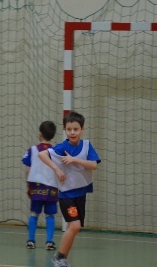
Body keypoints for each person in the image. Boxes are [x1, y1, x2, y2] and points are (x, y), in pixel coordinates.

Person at [38, 111, 101, 267]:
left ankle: (62, 258)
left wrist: (74, 160)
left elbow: (93, 165)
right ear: (64, 129)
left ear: (82, 129)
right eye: (69, 129)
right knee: (74, 225)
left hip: (81, 193)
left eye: (76, 129)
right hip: (67, 195)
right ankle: (59, 258)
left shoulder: (87, 146)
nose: (72, 132)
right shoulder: (63, 147)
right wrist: (57, 169)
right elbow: (42, 155)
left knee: (74, 228)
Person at [22, 120, 58, 250]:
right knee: (50, 215)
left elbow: (27, 169)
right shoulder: (56, 151)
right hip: (51, 187)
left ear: (40, 133)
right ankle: (49, 242)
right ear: (52, 135)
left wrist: (28, 185)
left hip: (36, 187)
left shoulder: (32, 150)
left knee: (34, 213)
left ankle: (31, 241)